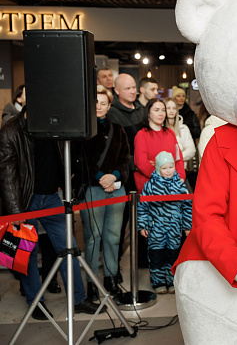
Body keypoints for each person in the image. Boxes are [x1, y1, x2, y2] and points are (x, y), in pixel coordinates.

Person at [0, 109, 102, 320]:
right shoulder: (11, 130)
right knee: (28, 252)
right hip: (26, 200)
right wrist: (16, 211)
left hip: (52, 197)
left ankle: (78, 299)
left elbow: (63, 157)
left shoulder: (54, 123)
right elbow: (7, 174)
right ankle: (35, 302)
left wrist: (64, 184)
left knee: (69, 247)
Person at [79, 86, 130, 300]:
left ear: (109, 106)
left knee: (113, 237)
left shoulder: (118, 129)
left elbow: (125, 157)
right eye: (95, 103)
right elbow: (81, 161)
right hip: (93, 189)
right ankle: (91, 283)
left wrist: (114, 176)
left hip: (116, 189)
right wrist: (102, 177)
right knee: (93, 238)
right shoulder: (82, 131)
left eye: (103, 103)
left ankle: (110, 278)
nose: (99, 107)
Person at [138, 152, 192, 294]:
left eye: (170, 167)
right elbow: (143, 207)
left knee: (173, 254)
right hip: (156, 228)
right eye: (164, 168)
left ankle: (172, 281)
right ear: (157, 169)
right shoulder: (150, 186)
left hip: (174, 228)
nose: (168, 171)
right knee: (156, 255)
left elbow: (187, 207)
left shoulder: (180, 185)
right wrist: (142, 225)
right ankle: (158, 282)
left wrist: (187, 226)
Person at [106, 73, 145, 266]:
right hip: (126, 173)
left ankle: (142, 261)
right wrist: (136, 162)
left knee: (143, 218)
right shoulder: (113, 114)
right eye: (127, 88)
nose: (132, 91)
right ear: (116, 91)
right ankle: (115, 265)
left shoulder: (141, 109)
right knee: (120, 223)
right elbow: (118, 149)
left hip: (144, 172)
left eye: (134, 87)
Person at [134, 98, 186, 193]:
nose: (161, 114)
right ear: (148, 113)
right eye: (156, 110)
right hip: (151, 187)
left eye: (163, 110)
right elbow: (141, 163)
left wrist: (180, 177)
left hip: (173, 185)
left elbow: (178, 158)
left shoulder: (170, 133)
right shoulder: (142, 135)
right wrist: (163, 179)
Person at [165, 97, 196, 189]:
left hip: (181, 171)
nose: (171, 111)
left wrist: (176, 158)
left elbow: (191, 150)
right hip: (163, 172)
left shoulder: (183, 128)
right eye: (168, 108)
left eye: (174, 108)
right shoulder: (160, 129)